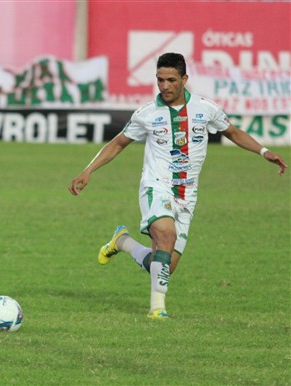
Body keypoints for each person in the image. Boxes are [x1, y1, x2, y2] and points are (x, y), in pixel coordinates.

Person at [68, 52, 287, 320]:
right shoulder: (147, 114)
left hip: (187, 195)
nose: (165, 86)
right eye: (160, 80)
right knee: (166, 235)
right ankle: (157, 309)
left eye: (171, 80)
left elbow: (234, 133)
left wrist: (264, 152)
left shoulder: (206, 109)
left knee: (164, 265)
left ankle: (122, 242)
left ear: (184, 79)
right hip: (156, 186)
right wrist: (88, 170)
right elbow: (117, 143)